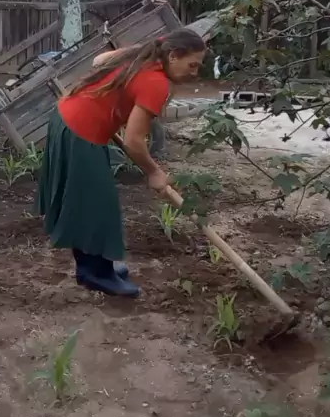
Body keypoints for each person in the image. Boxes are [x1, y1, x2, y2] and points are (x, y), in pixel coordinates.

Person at [38, 28, 206, 298]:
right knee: (96, 205)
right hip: (80, 130)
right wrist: (154, 172)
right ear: (174, 55)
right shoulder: (156, 82)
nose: (195, 73)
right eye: (192, 65)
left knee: (92, 201)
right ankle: (94, 274)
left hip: (66, 117)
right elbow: (134, 141)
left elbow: (99, 61)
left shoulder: (141, 58)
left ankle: (99, 266)